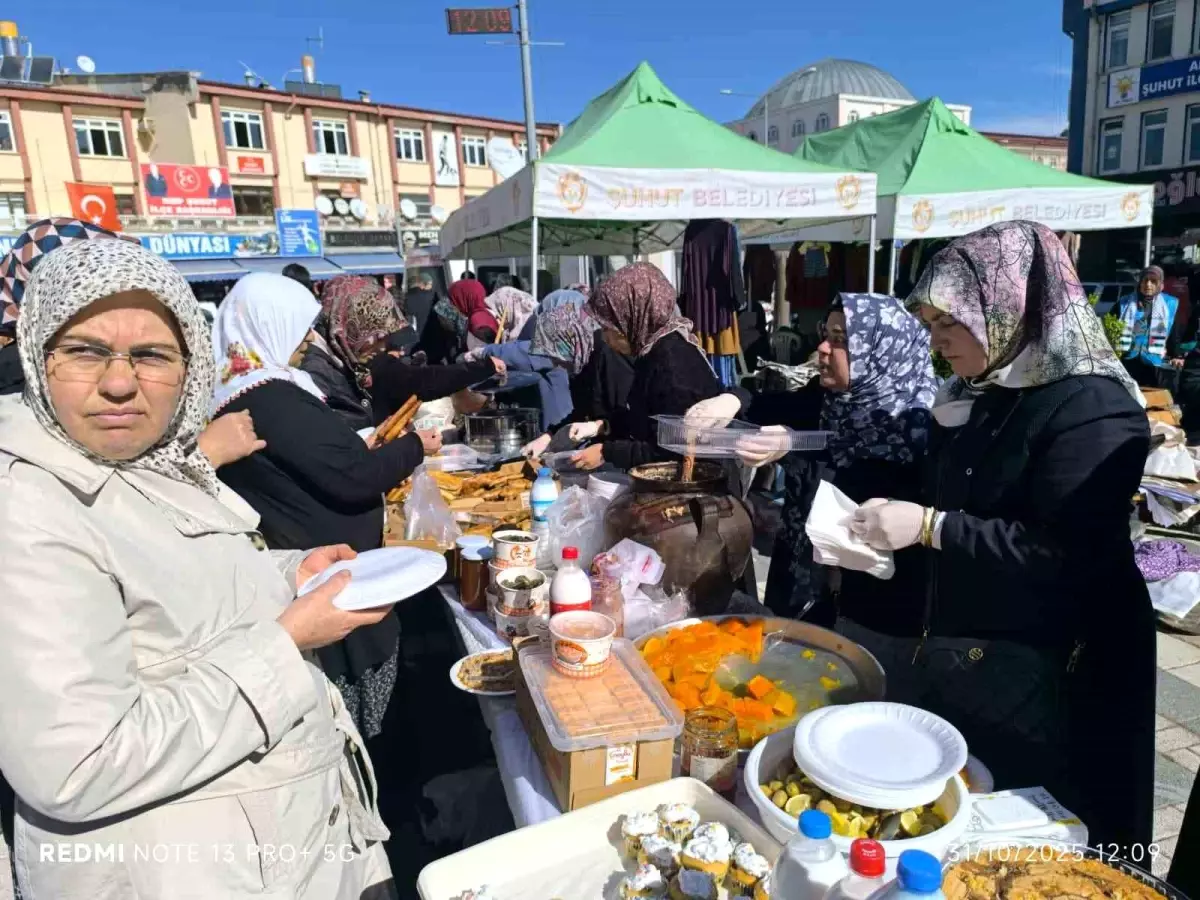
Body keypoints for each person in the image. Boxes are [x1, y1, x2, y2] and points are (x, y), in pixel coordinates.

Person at [0, 237, 396, 898]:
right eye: (85, 351)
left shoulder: (149, 460)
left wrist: (288, 574)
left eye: (152, 355)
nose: (119, 382)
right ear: (38, 358)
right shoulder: (28, 507)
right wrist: (288, 641)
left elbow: (180, 587)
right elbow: (78, 764)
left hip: (274, 843)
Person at [852, 221, 1154, 855]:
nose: (937, 342)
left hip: (1064, 661)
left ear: (1010, 306)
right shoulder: (988, 391)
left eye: (949, 323)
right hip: (990, 655)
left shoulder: (1092, 407)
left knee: (1052, 832)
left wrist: (930, 526)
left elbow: (1064, 550)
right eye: (931, 325)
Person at [212, 272, 436, 740]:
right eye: (300, 328)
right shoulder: (270, 396)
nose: (310, 340)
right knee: (361, 720)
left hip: (322, 566)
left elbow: (324, 459)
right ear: (268, 325)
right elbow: (352, 476)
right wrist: (413, 447)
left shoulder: (254, 388)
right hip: (327, 576)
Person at [739, 293, 936, 624]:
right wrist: (733, 399)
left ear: (880, 353)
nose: (823, 348)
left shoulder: (915, 429)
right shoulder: (829, 399)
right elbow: (766, 406)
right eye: (826, 335)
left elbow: (856, 493)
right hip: (799, 589)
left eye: (840, 339)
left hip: (872, 615)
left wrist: (794, 449)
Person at [571, 262, 729, 471]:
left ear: (633, 318)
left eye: (610, 328)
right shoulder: (653, 351)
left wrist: (606, 452)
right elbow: (646, 418)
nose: (605, 339)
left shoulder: (672, 363)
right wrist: (602, 426)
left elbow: (671, 448)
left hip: (700, 480)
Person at [1117, 265, 1182, 387]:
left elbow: (1174, 331)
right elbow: (1111, 328)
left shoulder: (1170, 304)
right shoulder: (1125, 302)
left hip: (1154, 361)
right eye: (1145, 280)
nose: (1148, 285)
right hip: (1128, 358)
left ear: (1160, 284)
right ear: (1140, 282)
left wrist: (1176, 355)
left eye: (1153, 281)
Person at [403, 271, 439, 337]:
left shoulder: (409, 297)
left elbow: (407, 314)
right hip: (435, 335)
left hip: (417, 335)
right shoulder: (436, 296)